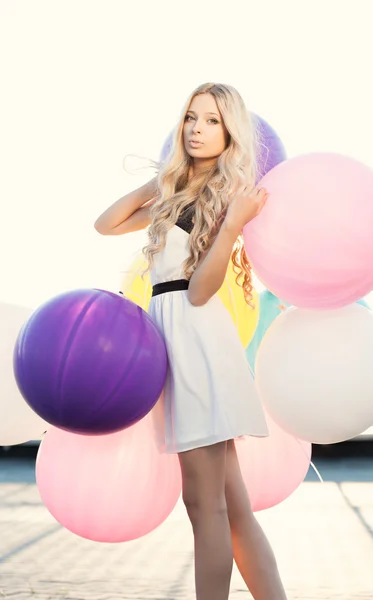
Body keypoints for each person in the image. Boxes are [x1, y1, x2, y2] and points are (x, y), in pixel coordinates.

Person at [94, 82, 288, 600]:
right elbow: (104, 224)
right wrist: (162, 180)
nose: (198, 130)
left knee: (208, 509)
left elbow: (202, 290)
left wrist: (230, 229)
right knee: (230, 507)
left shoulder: (226, 193)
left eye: (212, 122)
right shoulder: (177, 191)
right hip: (177, 333)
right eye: (191, 118)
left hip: (196, 335)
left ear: (231, 133)